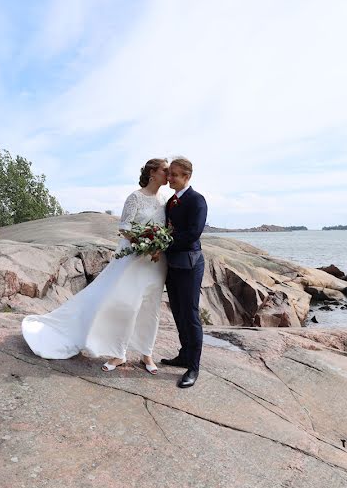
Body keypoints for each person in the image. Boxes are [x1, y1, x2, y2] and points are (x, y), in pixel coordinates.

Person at [21, 158, 169, 373]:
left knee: (151, 308)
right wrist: (142, 245)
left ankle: (147, 354)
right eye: (165, 170)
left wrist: (157, 247)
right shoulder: (135, 198)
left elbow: (166, 229)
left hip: (156, 262)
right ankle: (119, 354)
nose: (168, 173)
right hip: (134, 259)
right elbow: (125, 228)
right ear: (152, 173)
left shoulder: (165, 200)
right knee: (126, 306)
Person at [160, 157, 208, 388]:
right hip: (173, 264)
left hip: (190, 264)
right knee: (178, 312)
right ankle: (184, 355)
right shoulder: (171, 201)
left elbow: (192, 234)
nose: (170, 178)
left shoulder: (197, 200)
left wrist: (162, 243)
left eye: (175, 175)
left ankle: (194, 367)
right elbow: (170, 227)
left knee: (190, 314)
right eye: (169, 174)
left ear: (187, 177)